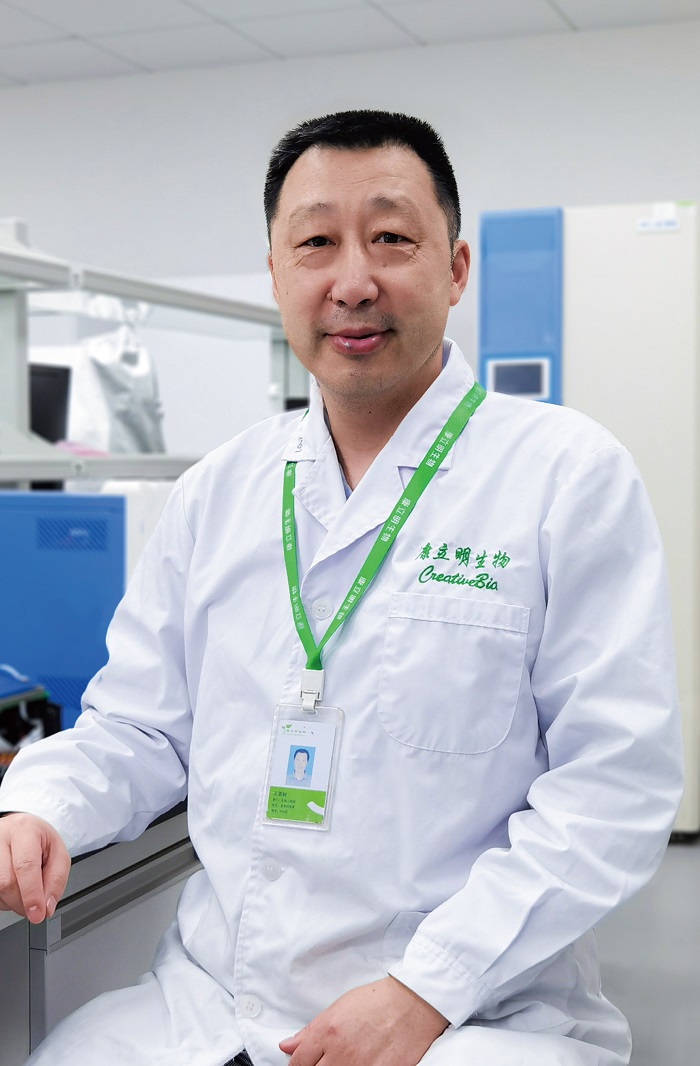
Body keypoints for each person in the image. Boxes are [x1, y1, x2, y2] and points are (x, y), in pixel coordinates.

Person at [0, 109, 683, 1066]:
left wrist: (426, 988)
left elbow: (613, 785)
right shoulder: (218, 490)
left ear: (455, 268)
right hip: (214, 999)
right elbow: (141, 728)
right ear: (277, 274)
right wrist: (42, 806)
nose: (353, 282)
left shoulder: (564, 476)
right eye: (315, 243)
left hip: (475, 1014)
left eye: (392, 238)